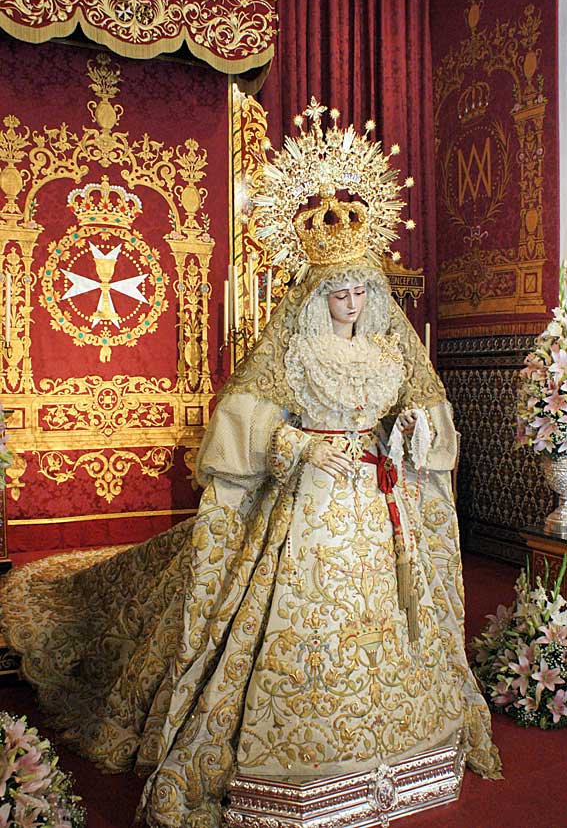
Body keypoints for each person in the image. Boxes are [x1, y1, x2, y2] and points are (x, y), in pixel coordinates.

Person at [0, 110, 502, 828]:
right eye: (338, 293)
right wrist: (299, 446)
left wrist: (412, 430)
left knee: (391, 623)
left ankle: (402, 750)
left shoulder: (392, 349)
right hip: (310, 503)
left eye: (361, 291)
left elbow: (424, 412)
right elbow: (244, 423)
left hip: (377, 501)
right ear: (316, 294)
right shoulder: (293, 349)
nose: (352, 303)